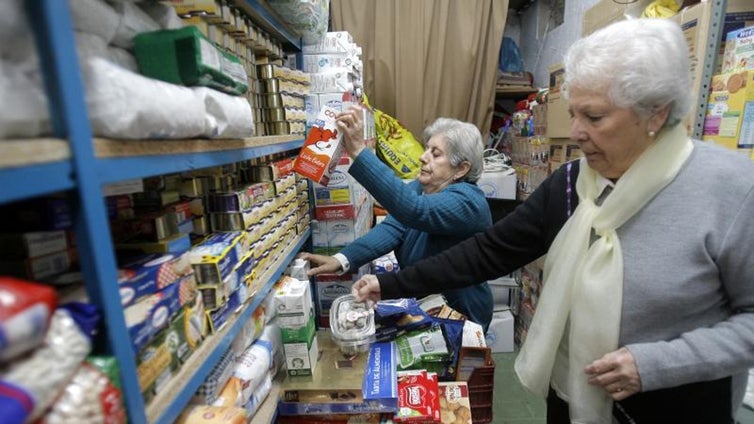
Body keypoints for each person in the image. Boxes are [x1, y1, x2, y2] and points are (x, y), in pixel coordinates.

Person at [351, 18, 754, 423]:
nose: (576, 132)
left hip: (677, 407)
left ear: (655, 114)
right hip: (573, 397)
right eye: (573, 113)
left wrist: (658, 363)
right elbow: (488, 253)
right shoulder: (573, 184)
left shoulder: (729, 191)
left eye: (594, 117)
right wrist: (390, 285)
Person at [300, 111, 494, 331]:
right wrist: (342, 258)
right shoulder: (422, 188)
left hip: (461, 315)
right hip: (427, 307)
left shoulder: (468, 202)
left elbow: (414, 210)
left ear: (461, 169)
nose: (423, 156)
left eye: (436, 154)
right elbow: (393, 228)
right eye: (427, 149)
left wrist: (359, 152)